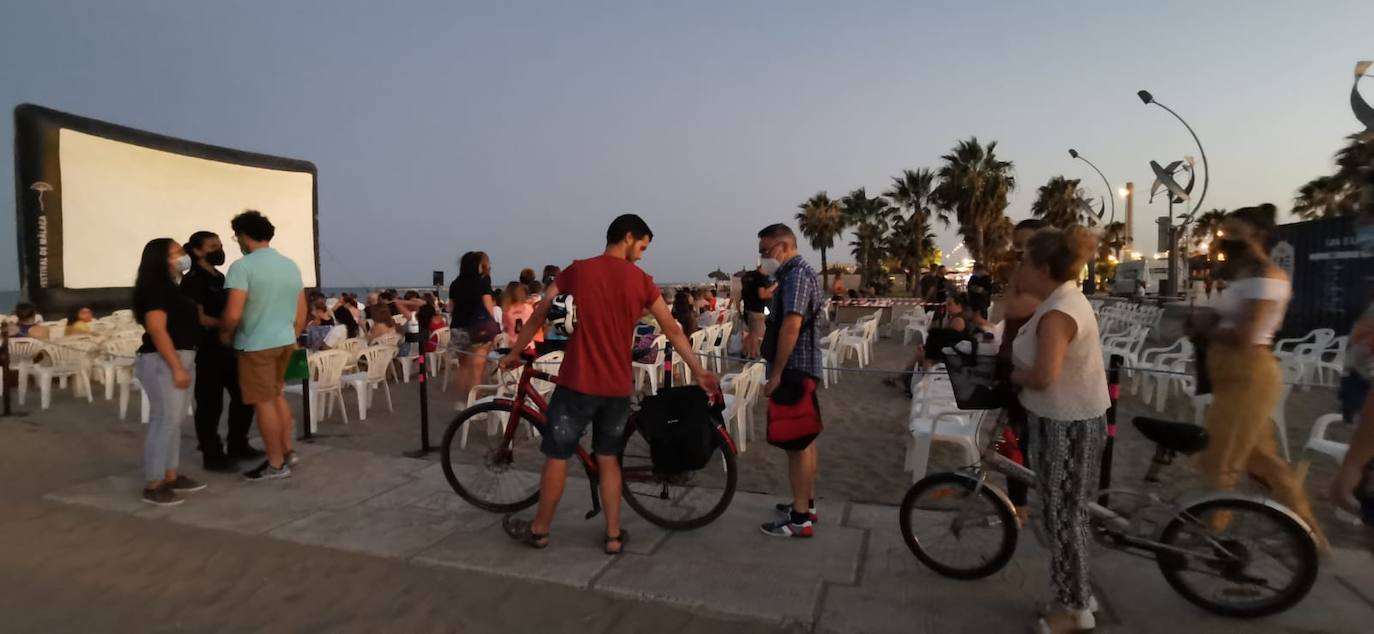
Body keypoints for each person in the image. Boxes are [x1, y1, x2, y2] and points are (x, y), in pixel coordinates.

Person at [498, 214, 718, 554]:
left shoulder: (579, 270)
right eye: (642, 246)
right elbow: (673, 329)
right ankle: (613, 535)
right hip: (617, 386)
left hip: (577, 382)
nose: (642, 255)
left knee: (557, 455)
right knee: (609, 458)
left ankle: (540, 530)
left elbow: (541, 311)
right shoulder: (642, 281)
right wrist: (699, 370)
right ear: (628, 237)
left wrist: (515, 351)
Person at [1189, 204, 1328, 551]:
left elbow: (1247, 335)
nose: (1227, 240)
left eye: (1235, 233)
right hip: (1231, 376)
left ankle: (1212, 535)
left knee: (1221, 457)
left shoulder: (1267, 278)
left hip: (1248, 374)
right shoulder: (1242, 278)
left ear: (1258, 235)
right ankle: (1308, 532)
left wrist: (1208, 327)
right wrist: (1206, 324)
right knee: (1261, 459)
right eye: (1225, 233)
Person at [1009, 225, 1111, 634]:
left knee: (1064, 516)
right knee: (1062, 513)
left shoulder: (1058, 312)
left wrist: (1014, 376)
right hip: (1064, 420)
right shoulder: (1062, 300)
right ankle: (1078, 593)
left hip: (1067, 424)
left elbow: (1044, 375)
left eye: (1025, 261)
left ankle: (1074, 610)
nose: (1020, 268)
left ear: (1043, 268)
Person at [220, 210, 306, 482]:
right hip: (285, 341)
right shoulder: (290, 265)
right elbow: (301, 311)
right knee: (278, 396)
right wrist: (290, 334)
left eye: (237, 237)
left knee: (264, 403)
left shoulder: (242, 268)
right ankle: (287, 450)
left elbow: (233, 313)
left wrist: (226, 334)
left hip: (256, 344)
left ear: (244, 236)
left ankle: (276, 463)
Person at [756, 223, 825, 538]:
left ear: (783, 247)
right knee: (806, 441)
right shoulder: (796, 275)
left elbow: (790, 327)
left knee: (796, 445)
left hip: (794, 369)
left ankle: (799, 519)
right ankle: (805, 504)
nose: (763, 258)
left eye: (766, 251)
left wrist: (778, 372)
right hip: (803, 368)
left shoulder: (796, 275)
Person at [132, 238, 207, 505]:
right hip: (163, 361)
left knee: (173, 422)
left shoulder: (172, 288)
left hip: (182, 357)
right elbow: (156, 328)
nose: (183, 255)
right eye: (177, 252)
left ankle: (171, 475)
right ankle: (154, 484)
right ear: (161, 258)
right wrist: (176, 366)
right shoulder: (156, 288)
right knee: (163, 421)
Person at [181, 230, 259, 472]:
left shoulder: (220, 277)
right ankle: (211, 454)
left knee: (245, 397)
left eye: (220, 245)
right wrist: (226, 324)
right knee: (210, 403)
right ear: (197, 250)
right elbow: (199, 317)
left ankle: (238, 444)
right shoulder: (193, 280)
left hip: (231, 348)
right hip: (208, 350)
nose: (220, 249)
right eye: (213, 246)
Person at [1000, 218, 1050, 522]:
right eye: (1017, 243)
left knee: (1023, 443)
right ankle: (1017, 504)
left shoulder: (1043, 281)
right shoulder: (1024, 275)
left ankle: (1022, 506)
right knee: (1013, 441)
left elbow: (1015, 307)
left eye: (1026, 245)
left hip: (1030, 373)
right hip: (1014, 365)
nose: (1020, 251)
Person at [448, 251, 499, 402]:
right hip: (478, 328)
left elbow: (451, 308)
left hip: (458, 326)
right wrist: (495, 325)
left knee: (463, 367)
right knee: (477, 369)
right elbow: (488, 305)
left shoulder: (455, 284)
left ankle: (463, 400)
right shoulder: (483, 280)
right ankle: (474, 401)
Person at [740, 265, 775, 359]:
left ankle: (743, 353)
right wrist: (774, 287)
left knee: (751, 333)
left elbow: (741, 293)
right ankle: (752, 355)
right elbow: (762, 295)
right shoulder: (760, 277)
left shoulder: (747, 276)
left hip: (747, 309)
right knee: (756, 334)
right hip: (757, 311)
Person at [501, 282, 536, 351]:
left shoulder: (506, 310)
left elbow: (505, 328)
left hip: (512, 346)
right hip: (528, 345)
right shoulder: (529, 308)